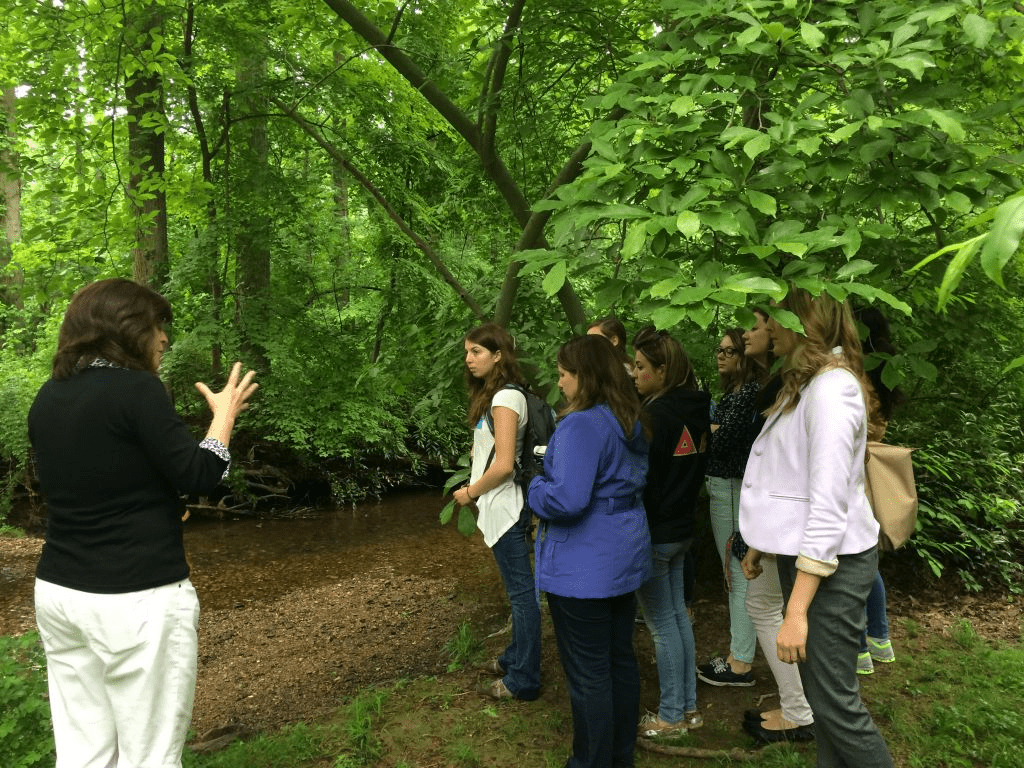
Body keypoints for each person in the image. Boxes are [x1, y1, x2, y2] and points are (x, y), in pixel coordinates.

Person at [30, 278, 258, 768]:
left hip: (60, 593)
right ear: (128, 328)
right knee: (150, 757)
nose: (164, 338)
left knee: (83, 754)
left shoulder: (49, 397)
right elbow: (199, 474)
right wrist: (224, 416)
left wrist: (159, 502)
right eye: (157, 326)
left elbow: (101, 481)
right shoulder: (138, 390)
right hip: (135, 600)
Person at [740, 288, 894, 768]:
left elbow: (829, 506)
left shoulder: (831, 389)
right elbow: (792, 478)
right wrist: (764, 542)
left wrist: (796, 612)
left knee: (837, 707)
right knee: (824, 704)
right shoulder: (807, 381)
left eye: (774, 316)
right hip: (812, 560)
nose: (766, 326)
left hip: (834, 567)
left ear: (805, 319)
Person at [528, 333, 650, 768]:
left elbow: (568, 499)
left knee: (589, 673)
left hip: (584, 566)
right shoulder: (628, 417)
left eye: (564, 374)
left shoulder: (581, 424)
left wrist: (534, 485)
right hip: (622, 554)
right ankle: (619, 756)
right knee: (619, 661)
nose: (560, 383)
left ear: (587, 377)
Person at [452, 322, 541, 701]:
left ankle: (524, 679)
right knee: (519, 592)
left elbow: (504, 465)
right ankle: (515, 658)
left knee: (522, 595)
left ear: (499, 355)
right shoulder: (501, 396)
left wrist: (469, 492)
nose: (469, 359)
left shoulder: (505, 398)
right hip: (504, 505)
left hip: (507, 507)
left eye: (477, 352)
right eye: (467, 352)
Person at [738, 308, 815, 743]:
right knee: (764, 605)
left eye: (766, 322)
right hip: (777, 527)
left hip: (797, 530)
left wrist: (764, 536)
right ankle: (801, 706)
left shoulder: (815, 387)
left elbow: (798, 475)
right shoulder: (790, 381)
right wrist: (758, 538)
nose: (763, 329)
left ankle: (801, 711)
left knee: (768, 607)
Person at [631, 327, 710, 739]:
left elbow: (644, 480)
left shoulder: (656, 417)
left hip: (657, 533)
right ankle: (689, 708)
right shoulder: (696, 409)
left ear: (663, 371)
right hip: (683, 529)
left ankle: (670, 716)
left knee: (662, 624)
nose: (635, 374)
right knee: (678, 618)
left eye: (641, 367)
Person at [698, 328, 759, 687]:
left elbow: (721, 441)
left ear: (744, 357)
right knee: (734, 570)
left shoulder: (748, 393)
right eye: (719, 350)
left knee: (736, 569)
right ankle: (740, 654)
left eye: (730, 351)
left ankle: (740, 663)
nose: (721, 356)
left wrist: (710, 429)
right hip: (723, 485)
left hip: (733, 487)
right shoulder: (733, 394)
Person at [853, 307, 906, 675]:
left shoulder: (857, 378)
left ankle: (859, 648)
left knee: (852, 562)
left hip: (854, 478)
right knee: (868, 562)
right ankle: (879, 639)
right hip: (870, 477)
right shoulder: (883, 373)